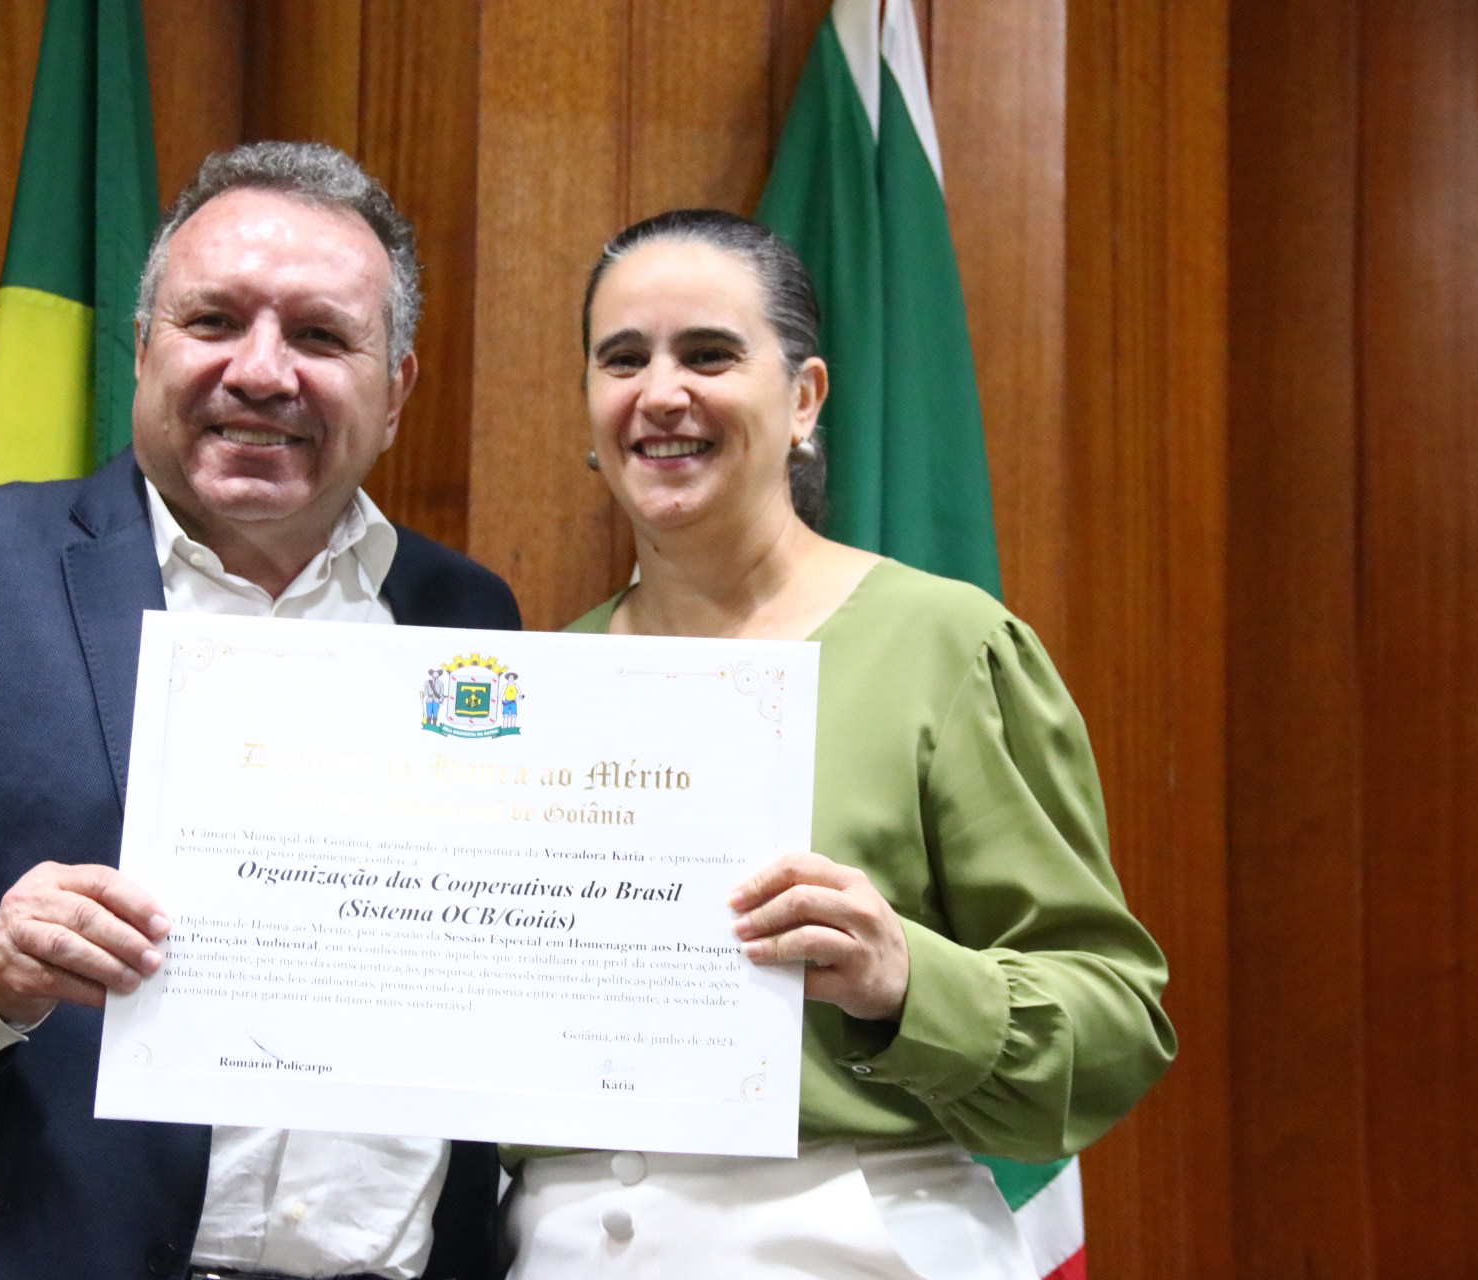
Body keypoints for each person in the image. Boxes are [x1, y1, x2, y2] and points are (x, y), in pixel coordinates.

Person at [0, 143, 517, 1280]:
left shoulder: (465, 616)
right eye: (213, 320)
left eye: (320, 336)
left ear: (397, 388)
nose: (260, 371)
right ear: (142, 347)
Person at [502, 209, 1176, 1279]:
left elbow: (1115, 1020)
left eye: (709, 355)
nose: (661, 393)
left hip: (857, 1239)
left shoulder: (944, 645)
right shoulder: (538, 683)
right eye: (623, 359)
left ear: (805, 398)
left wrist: (904, 977)